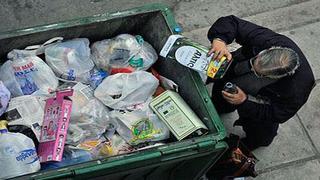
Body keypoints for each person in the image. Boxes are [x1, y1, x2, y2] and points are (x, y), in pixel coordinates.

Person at [206, 15, 315, 150]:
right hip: (236, 71)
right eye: (255, 62)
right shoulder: (268, 40)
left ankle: (247, 145)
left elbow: (278, 113)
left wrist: (244, 102)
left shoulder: (298, 88)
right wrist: (219, 40)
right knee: (221, 101)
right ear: (267, 50)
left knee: (261, 136)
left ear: (276, 76)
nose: (252, 68)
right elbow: (232, 22)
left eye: (258, 73)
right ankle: (221, 106)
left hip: (262, 99)